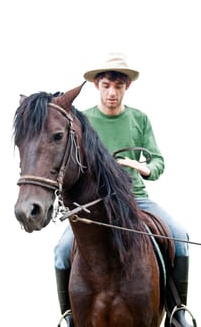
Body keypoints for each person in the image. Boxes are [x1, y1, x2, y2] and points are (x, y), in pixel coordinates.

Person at [54, 52, 192, 327]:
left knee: (180, 236)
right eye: (106, 85)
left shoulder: (139, 119)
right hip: (95, 205)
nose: (112, 92)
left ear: (127, 86)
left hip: (136, 199)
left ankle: (177, 309)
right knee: (61, 250)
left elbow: (157, 161)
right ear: (97, 86)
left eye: (118, 86)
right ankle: (69, 315)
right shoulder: (82, 121)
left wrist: (141, 167)